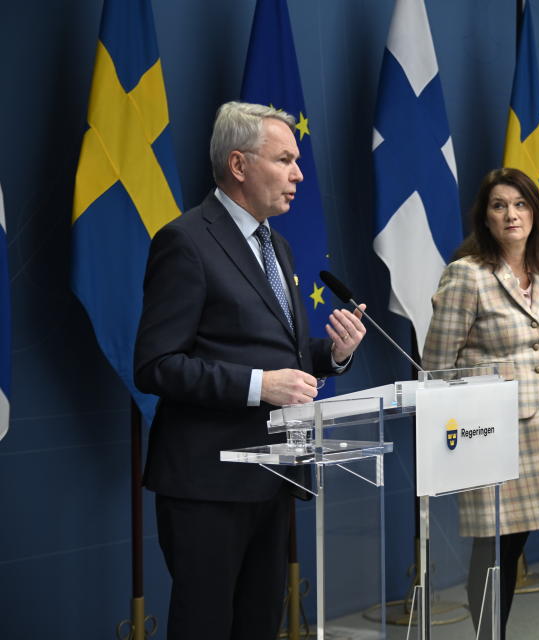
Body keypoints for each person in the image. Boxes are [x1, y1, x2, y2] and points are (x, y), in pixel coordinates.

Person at [134, 101, 366, 639]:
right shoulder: (185, 241)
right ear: (239, 166)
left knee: (259, 627)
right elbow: (156, 365)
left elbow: (269, 352)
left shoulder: (275, 244)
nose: (298, 174)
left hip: (273, 475)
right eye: (284, 159)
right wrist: (262, 386)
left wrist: (330, 355)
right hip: (207, 485)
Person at [421, 167, 539, 638]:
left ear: (534, 213)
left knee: (516, 538)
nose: (511, 214)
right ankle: (488, 634)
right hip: (489, 423)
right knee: (495, 540)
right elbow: (437, 363)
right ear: (484, 216)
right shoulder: (467, 274)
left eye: (520, 204)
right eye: (499, 205)